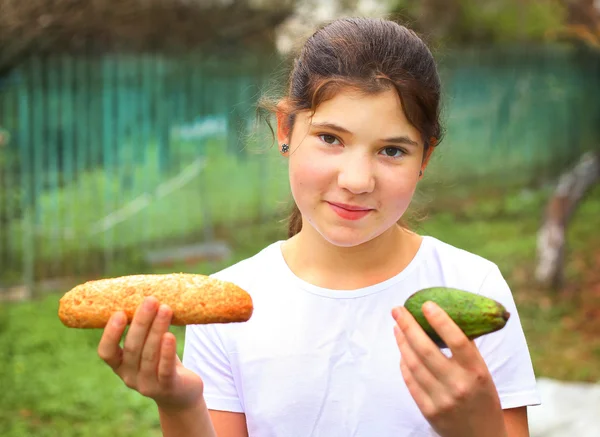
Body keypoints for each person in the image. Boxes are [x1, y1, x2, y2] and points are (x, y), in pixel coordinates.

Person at [97, 17, 541, 437]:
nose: (356, 181)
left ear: (425, 157)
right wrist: (179, 406)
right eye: (331, 139)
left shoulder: (473, 286)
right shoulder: (230, 307)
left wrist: (478, 425)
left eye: (392, 151)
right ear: (286, 128)